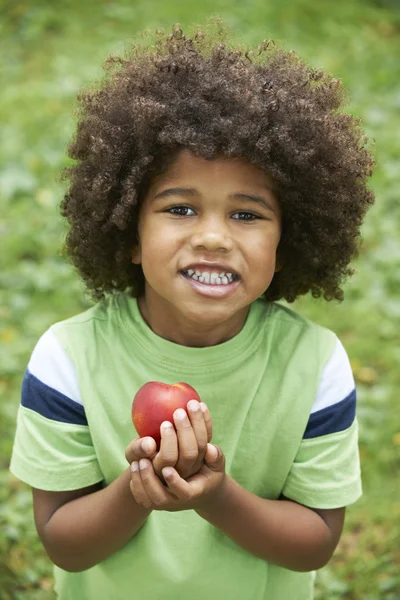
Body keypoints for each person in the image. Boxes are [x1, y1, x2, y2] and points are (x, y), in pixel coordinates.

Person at [9, 19, 375, 600]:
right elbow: (63, 542)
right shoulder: (69, 359)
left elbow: (316, 541)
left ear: (287, 247)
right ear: (128, 232)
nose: (212, 238)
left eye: (247, 214)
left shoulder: (314, 364)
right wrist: (137, 491)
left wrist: (217, 497)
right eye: (180, 209)